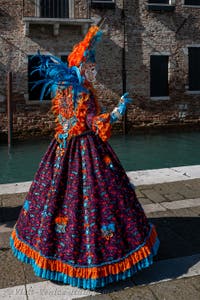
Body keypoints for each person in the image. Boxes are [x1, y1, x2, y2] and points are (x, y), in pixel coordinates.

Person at [10, 25, 159, 290]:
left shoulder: (63, 90)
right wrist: (118, 111)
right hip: (85, 150)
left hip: (60, 148)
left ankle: (46, 252)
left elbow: (63, 122)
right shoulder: (85, 93)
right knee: (94, 199)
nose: (95, 68)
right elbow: (94, 123)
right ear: (83, 65)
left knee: (54, 197)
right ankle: (93, 260)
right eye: (91, 64)